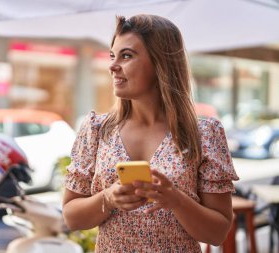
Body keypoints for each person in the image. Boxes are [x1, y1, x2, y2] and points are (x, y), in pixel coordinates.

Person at [62, 14, 239, 252]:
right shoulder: (96, 130)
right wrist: (108, 198)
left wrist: (175, 200)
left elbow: (217, 233)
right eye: (113, 56)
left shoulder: (204, 135)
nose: (112, 66)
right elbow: (72, 218)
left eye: (126, 56)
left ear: (160, 63)